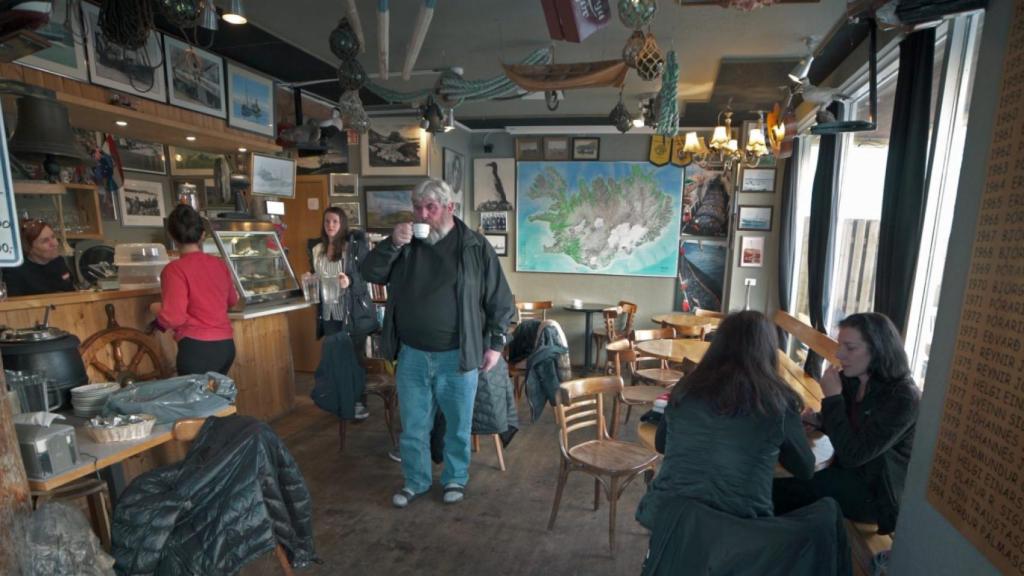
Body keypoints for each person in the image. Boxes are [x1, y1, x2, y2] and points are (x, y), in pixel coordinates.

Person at [636, 311, 850, 575]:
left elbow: (662, 444)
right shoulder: (779, 401)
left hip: (669, 515)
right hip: (736, 528)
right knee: (827, 512)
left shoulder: (686, 388)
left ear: (718, 344)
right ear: (768, 350)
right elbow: (805, 469)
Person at [361, 178, 514, 508]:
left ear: (450, 208)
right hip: (412, 354)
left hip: (457, 356)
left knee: (459, 427)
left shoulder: (473, 246)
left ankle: (455, 478)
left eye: (430, 207)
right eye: (417, 207)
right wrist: (391, 244)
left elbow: (500, 299)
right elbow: (370, 272)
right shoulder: (404, 244)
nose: (423, 214)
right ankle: (415, 481)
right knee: (413, 426)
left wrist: (496, 344)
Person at [773, 312, 920, 535]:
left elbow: (854, 455)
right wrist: (819, 421)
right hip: (842, 470)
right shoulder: (853, 379)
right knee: (780, 476)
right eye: (840, 345)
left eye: (850, 348)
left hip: (874, 495)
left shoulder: (903, 398)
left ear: (878, 349)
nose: (840, 354)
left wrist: (832, 399)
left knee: (779, 489)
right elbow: (851, 425)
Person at [305, 206, 378, 419]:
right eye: (327, 221)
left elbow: (366, 279)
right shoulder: (317, 249)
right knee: (335, 361)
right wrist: (310, 278)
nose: (330, 226)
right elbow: (318, 277)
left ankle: (358, 403)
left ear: (342, 224)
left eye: (335, 222)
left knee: (353, 361)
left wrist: (351, 281)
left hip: (352, 314)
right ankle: (341, 402)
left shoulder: (353, 248)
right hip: (328, 312)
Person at [152, 204, 238, 375]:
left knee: (197, 401)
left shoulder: (174, 270)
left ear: (171, 235)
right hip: (226, 347)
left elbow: (174, 318)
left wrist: (154, 310)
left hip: (197, 349)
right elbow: (232, 301)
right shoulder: (218, 264)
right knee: (219, 400)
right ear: (203, 235)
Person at [3, 218, 75, 297]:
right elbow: (14, 305)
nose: (55, 243)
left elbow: (71, 292)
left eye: (53, 237)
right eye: (45, 241)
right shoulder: (15, 272)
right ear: (29, 248)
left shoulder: (58, 261)